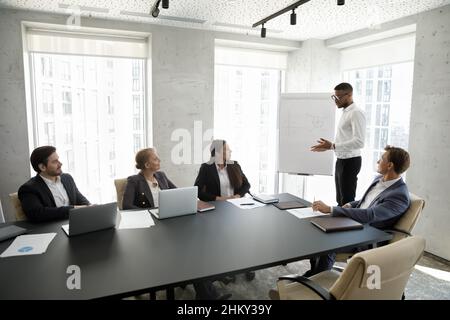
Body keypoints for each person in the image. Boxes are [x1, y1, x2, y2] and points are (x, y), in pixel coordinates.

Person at [123, 147, 230, 300]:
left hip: (170, 222)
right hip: (151, 228)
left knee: (199, 242)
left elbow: (177, 192)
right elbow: (126, 206)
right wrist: (150, 212)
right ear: (146, 165)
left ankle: (206, 279)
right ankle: (207, 294)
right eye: (155, 159)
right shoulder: (134, 181)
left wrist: (193, 200)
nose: (159, 160)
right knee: (190, 251)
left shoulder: (161, 176)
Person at [304, 146, 411, 276]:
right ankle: (312, 275)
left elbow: (370, 215)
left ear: (389, 165)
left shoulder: (399, 195)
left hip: (368, 235)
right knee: (317, 229)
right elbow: (366, 201)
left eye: (381, 159)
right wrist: (350, 204)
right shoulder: (379, 179)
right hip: (354, 224)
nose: (378, 161)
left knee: (328, 243)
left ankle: (319, 283)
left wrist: (331, 209)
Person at [194, 139, 255, 282]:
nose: (231, 152)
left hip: (236, 206)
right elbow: (197, 190)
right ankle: (226, 267)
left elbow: (246, 185)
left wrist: (237, 196)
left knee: (241, 238)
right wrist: (218, 198)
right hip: (217, 208)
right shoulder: (206, 168)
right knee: (221, 240)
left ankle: (247, 265)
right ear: (219, 153)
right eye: (228, 149)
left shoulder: (234, 165)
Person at [311, 83, 366, 207]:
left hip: (351, 161)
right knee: (340, 200)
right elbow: (345, 138)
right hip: (341, 160)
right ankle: (338, 225)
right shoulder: (346, 112)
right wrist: (330, 147)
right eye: (334, 97)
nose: (335, 100)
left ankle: (347, 226)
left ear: (349, 95)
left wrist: (332, 146)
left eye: (339, 97)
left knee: (346, 201)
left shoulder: (356, 113)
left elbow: (360, 142)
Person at [18, 146, 90, 222]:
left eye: (58, 159)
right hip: (52, 229)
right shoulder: (29, 188)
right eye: (55, 162)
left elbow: (80, 199)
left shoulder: (67, 178)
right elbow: (37, 214)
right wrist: (73, 209)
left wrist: (89, 207)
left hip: (74, 224)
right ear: (42, 167)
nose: (60, 164)